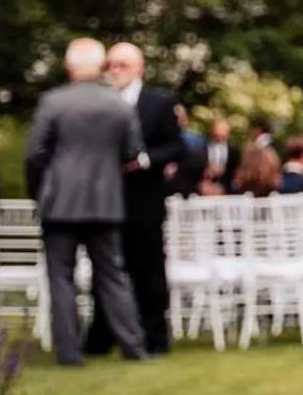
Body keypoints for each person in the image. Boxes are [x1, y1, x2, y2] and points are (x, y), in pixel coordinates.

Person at [27, 38, 150, 366]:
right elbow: (132, 153)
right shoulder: (118, 105)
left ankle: (69, 352)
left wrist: (40, 191)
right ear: (101, 66)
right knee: (112, 275)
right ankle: (133, 347)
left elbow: (35, 153)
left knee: (61, 277)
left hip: (60, 202)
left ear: (69, 66)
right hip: (105, 201)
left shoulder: (53, 102)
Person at [87, 42, 185, 356]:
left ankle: (154, 337)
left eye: (122, 65)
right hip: (106, 197)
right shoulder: (99, 101)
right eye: (111, 65)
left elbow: (176, 147)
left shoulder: (160, 102)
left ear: (139, 68)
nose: (115, 70)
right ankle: (102, 337)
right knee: (104, 269)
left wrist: (144, 160)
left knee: (149, 271)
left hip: (144, 199)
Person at [200, 118, 236, 194]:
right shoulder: (202, 148)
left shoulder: (234, 151)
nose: (219, 138)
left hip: (227, 189)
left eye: (222, 136)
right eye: (216, 135)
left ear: (228, 134)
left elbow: (235, 171)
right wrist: (206, 170)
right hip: (206, 187)